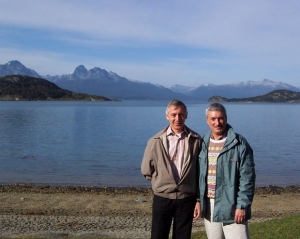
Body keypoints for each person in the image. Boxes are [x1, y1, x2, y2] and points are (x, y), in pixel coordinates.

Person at [141, 100, 202, 239]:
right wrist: (161, 181)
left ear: (186, 115)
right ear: (167, 116)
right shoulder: (155, 140)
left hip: (186, 199)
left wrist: (198, 200)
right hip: (162, 198)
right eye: (174, 114)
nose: (177, 119)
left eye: (181, 114)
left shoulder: (196, 140)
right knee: (158, 235)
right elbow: (146, 169)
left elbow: (200, 172)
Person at [198, 103, 256, 239]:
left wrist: (242, 206)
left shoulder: (239, 143)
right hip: (209, 206)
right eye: (213, 119)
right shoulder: (203, 143)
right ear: (207, 120)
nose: (217, 122)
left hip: (232, 206)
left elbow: (247, 178)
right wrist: (198, 200)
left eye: (220, 118)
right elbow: (199, 176)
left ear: (226, 118)